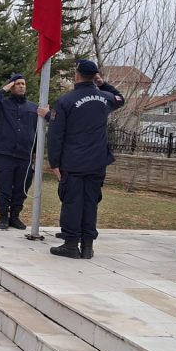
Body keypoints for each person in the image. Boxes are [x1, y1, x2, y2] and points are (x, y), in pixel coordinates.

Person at [48, 59, 125, 259]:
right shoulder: (106, 98)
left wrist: (54, 163)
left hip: (73, 162)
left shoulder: (66, 101)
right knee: (90, 202)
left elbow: (56, 135)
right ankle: (88, 246)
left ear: (77, 75)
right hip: (97, 161)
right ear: (95, 76)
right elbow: (120, 98)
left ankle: (71, 244)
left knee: (72, 202)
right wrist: (102, 84)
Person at [0, 73, 49, 230]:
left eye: (23, 84)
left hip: (25, 155)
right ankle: (3, 218)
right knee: (4, 186)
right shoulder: (3, 104)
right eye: (18, 83)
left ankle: (15, 217)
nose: (21, 86)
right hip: (5, 153)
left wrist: (35, 153)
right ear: (12, 87)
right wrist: (4, 88)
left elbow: (38, 131)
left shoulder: (33, 107)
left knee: (22, 188)